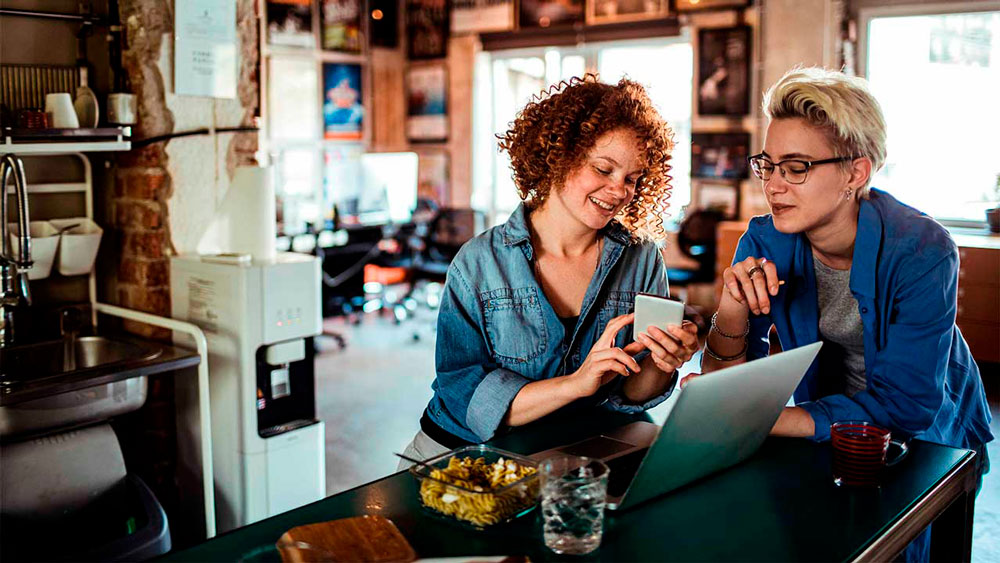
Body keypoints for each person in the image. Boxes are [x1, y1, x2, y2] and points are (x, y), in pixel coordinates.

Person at [699, 67, 993, 560]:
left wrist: (762, 419)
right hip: (827, 416)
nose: (774, 185)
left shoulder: (923, 250)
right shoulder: (765, 238)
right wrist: (730, 309)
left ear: (856, 173)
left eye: (796, 167)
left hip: (928, 426)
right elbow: (725, 379)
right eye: (767, 165)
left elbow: (908, 407)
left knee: (911, 545)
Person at [400, 76, 700, 464]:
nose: (619, 190)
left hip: (584, 448)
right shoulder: (479, 263)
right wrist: (575, 385)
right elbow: (467, 398)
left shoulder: (641, 257)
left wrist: (664, 361)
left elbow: (634, 393)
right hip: (467, 454)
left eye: (632, 178)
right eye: (604, 169)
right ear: (559, 157)